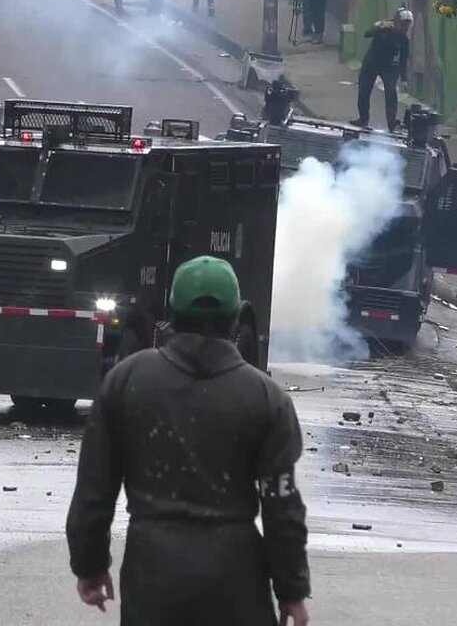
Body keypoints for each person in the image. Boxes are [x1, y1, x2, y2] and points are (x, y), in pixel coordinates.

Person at [66, 255, 311, 625]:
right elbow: (282, 507)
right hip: (236, 578)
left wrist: (90, 566)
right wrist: (291, 591)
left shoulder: (125, 381)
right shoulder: (267, 398)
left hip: (152, 574)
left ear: (173, 314)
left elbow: (94, 490)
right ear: (235, 317)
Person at [351, 7, 413, 131]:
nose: (405, 27)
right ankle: (363, 119)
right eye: (403, 24)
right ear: (396, 22)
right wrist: (378, 26)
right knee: (364, 91)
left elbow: (403, 59)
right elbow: (367, 34)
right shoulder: (384, 28)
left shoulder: (404, 39)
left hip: (389, 67)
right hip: (372, 63)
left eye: (408, 25)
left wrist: (404, 79)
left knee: (391, 92)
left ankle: (392, 122)